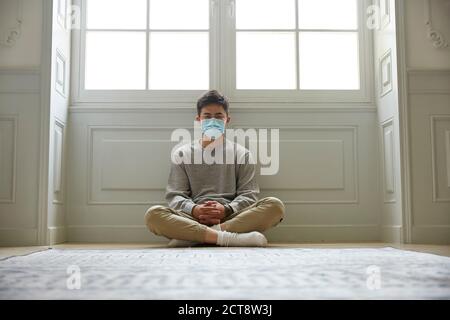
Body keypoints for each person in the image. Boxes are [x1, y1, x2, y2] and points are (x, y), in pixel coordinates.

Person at [145, 90, 285, 247]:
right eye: (207, 116)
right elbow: (175, 196)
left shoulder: (242, 154)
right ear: (198, 120)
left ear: (227, 120)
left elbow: (249, 195)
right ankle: (227, 238)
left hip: (231, 217)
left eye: (218, 116)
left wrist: (226, 209)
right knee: (153, 215)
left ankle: (196, 236)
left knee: (275, 206)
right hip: (193, 218)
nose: (213, 120)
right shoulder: (182, 154)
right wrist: (195, 209)